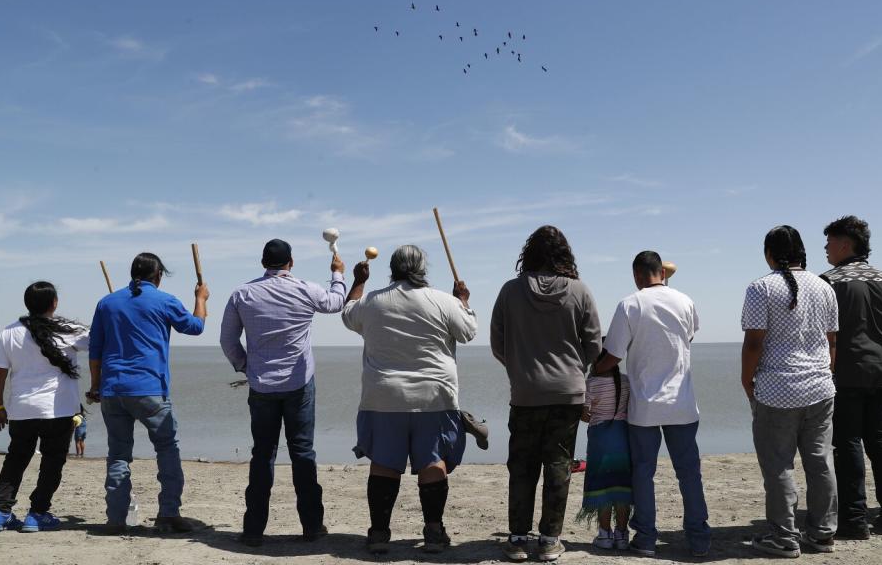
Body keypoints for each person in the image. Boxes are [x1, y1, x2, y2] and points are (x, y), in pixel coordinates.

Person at [341, 245, 476, 555]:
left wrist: (359, 281)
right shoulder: (443, 300)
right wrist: (463, 301)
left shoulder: (373, 300)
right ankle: (433, 531)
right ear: (422, 268)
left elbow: (348, 315)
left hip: (384, 396)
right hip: (434, 396)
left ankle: (378, 533)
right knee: (432, 460)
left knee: (385, 463)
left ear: (393, 268)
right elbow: (468, 332)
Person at [220, 239, 347, 547]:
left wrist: (245, 367)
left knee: (262, 454)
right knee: (303, 454)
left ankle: (253, 531)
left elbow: (228, 340)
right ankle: (313, 527)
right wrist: (339, 274)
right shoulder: (305, 289)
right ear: (291, 262)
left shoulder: (243, 293)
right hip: (299, 384)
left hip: (261, 385)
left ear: (263, 262)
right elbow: (335, 303)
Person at [491, 225, 601, 562]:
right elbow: (594, 345)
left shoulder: (510, 291)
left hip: (525, 392)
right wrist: (573, 370)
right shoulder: (580, 292)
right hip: (567, 394)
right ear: (565, 255)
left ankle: (518, 539)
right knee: (558, 465)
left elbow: (498, 344)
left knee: (522, 466)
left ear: (530, 254)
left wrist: (522, 368)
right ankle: (550, 539)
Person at [596, 250, 711, 558]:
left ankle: (646, 537)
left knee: (643, 472)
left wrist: (594, 370)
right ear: (662, 272)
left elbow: (614, 355)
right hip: (682, 403)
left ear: (636, 276)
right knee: (689, 473)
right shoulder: (685, 301)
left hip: (645, 405)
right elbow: (688, 337)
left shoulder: (630, 304)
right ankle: (698, 538)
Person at [88, 252, 209, 534]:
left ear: (133, 274)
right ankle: (168, 513)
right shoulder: (163, 300)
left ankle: (116, 519)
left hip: (113, 389)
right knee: (167, 449)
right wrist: (201, 299)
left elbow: (95, 350)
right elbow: (196, 327)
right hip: (150, 389)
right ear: (158, 276)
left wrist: (95, 386)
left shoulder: (107, 303)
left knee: (118, 454)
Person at [741, 226, 839, 557]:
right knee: (821, 462)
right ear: (802, 253)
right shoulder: (824, 287)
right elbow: (832, 341)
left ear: (770, 254)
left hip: (777, 387)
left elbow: (754, 342)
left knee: (779, 465)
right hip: (820, 385)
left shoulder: (761, 288)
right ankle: (822, 533)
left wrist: (746, 380)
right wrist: (826, 373)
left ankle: (784, 536)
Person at [821, 215, 882, 537]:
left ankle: (854, 519)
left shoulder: (831, 281)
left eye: (829, 242)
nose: (826, 248)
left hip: (847, 370)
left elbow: (825, 331)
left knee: (847, 444)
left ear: (845, 244)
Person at [0, 281, 89, 533]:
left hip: (21, 410)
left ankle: (0, 513)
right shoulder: (69, 330)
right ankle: (37, 514)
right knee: (52, 462)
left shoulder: (8, 332)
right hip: (59, 410)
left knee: (15, 459)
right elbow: (101, 341)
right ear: (54, 303)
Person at [578, 359, 632, 551]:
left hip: (600, 438)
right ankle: (622, 535)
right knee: (621, 487)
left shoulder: (591, 383)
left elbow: (585, 415)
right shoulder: (626, 381)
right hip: (622, 437)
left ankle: (605, 534)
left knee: (603, 487)